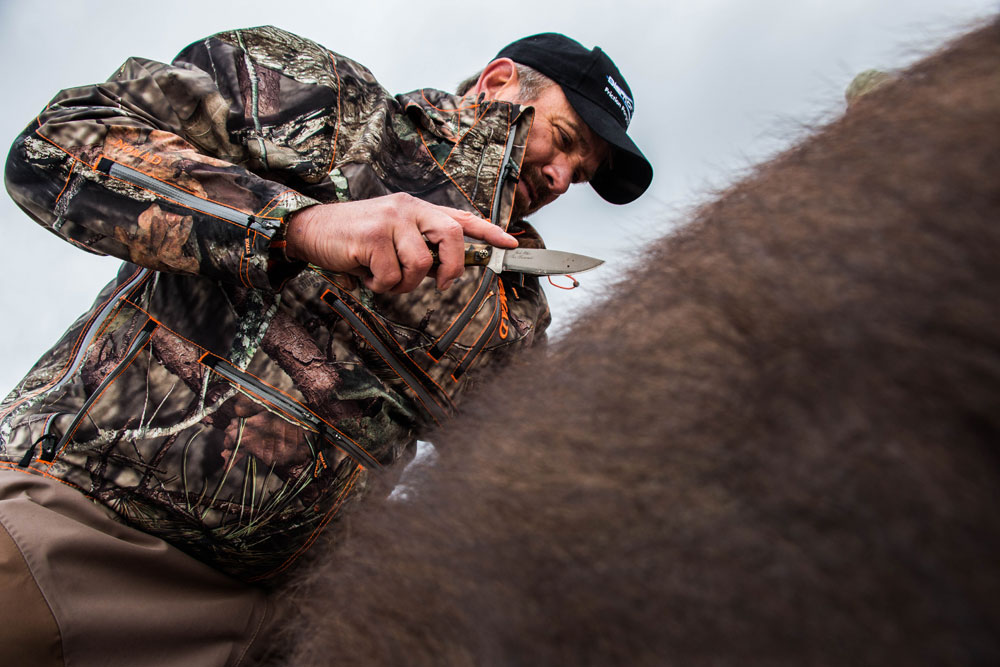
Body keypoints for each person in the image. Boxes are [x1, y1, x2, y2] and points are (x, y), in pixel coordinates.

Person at [0, 26, 651, 666]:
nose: (564, 177)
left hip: (282, 627)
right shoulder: (328, 104)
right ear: (498, 81)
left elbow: (506, 489)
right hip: (75, 532)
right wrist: (298, 225)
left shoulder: (518, 307)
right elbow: (57, 143)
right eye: (563, 140)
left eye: (584, 173)